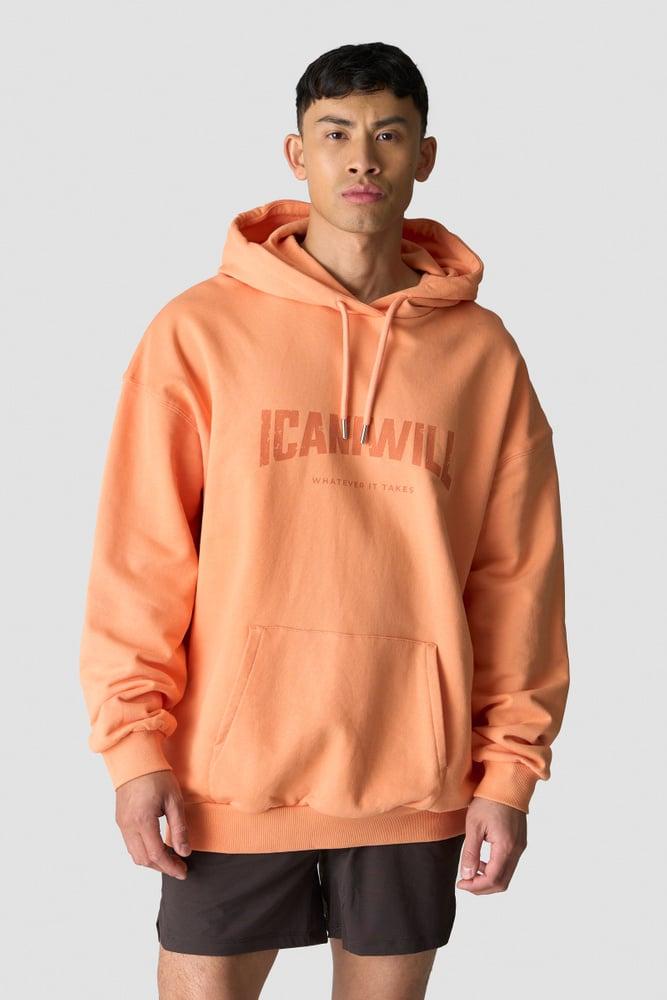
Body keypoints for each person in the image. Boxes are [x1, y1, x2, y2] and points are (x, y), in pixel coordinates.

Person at [79, 41, 570, 1000]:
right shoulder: (199, 331)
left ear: (424, 156)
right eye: (336, 134)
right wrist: (133, 750)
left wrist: (508, 773)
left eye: (389, 135)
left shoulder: (482, 354)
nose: (361, 159)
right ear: (295, 154)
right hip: (228, 779)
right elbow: (141, 559)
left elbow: (517, 581)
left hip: (413, 779)